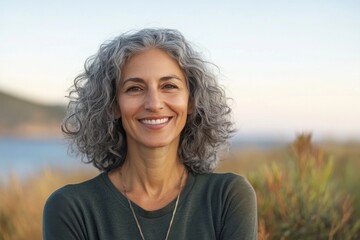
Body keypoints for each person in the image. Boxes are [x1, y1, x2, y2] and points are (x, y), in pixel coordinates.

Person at [43, 28, 257, 240]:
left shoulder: (227, 197)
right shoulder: (71, 208)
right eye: (134, 88)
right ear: (113, 105)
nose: (154, 104)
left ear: (192, 101)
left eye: (169, 86)